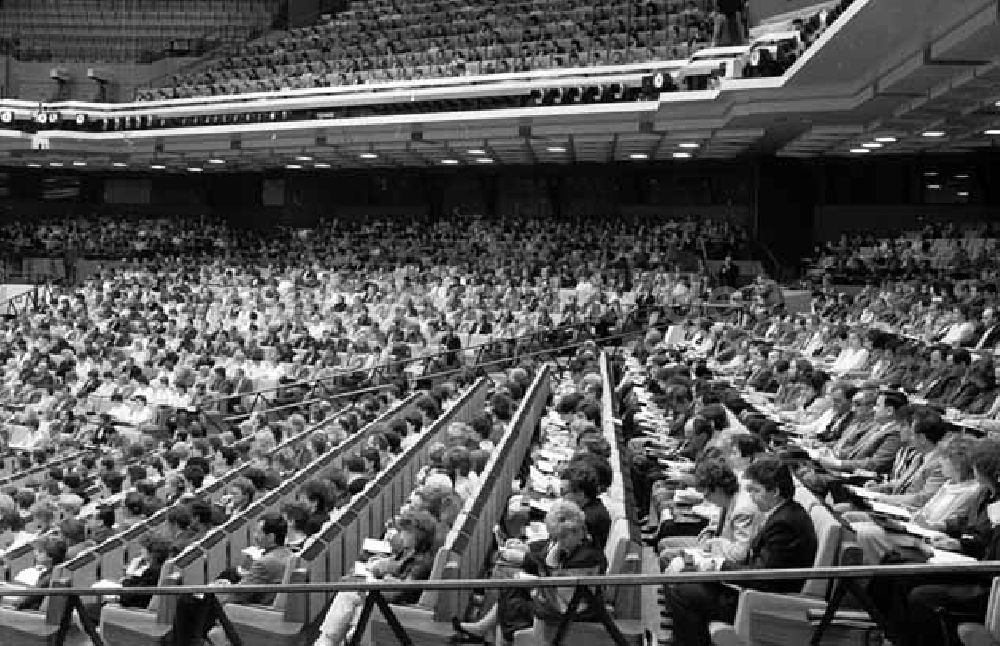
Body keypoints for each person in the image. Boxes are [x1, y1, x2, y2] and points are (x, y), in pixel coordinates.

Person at [662, 456, 818, 646]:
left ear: (775, 491)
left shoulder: (785, 523)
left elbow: (764, 578)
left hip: (765, 602)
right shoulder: (783, 513)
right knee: (684, 579)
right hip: (754, 591)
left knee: (682, 589)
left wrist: (716, 566)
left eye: (755, 491)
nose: (750, 496)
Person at [658, 459, 761, 566]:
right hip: (715, 543)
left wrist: (715, 543)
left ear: (718, 489)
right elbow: (719, 519)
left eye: (707, 494)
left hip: (724, 559)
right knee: (664, 544)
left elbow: (740, 554)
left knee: (667, 556)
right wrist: (711, 530)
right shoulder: (727, 495)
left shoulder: (743, 509)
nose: (706, 498)